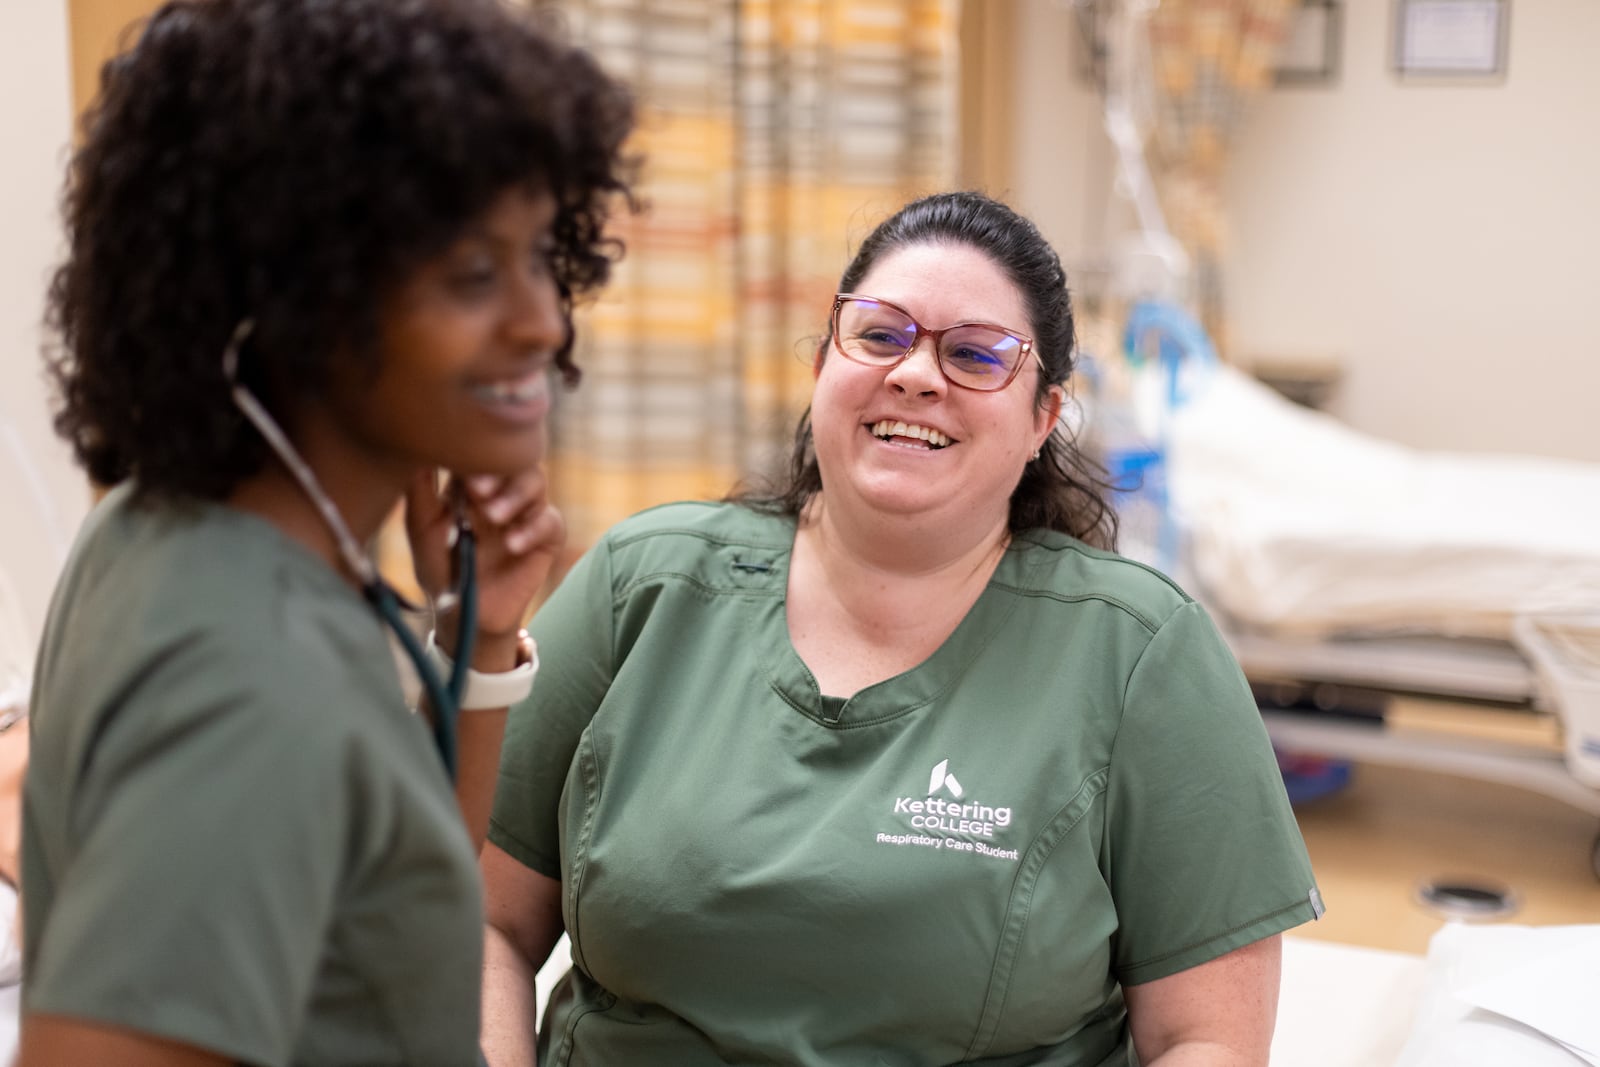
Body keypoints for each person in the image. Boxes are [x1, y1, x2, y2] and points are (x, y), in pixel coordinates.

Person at [480, 191, 1324, 1066]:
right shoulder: (641, 586)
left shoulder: (1140, 652)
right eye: (880, 335)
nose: (917, 374)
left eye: (975, 355)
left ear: (1043, 417)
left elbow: (1205, 1039)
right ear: (822, 369)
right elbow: (484, 921)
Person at [18, 1, 633, 1064]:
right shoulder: (248, 673)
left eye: (539, 254)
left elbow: (395, 878)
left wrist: (477, 640)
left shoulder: (172, 528)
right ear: (292, 292)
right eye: (471, 272)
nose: (541, 318)